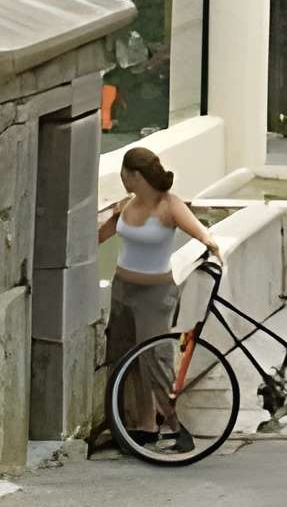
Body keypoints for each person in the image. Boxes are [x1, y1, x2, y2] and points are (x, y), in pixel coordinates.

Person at [95, 146, 222, 452]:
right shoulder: (125, 205)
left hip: (155, 294)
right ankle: (142, 426)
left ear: (135, 175)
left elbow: (201, 233)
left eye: (124, 174)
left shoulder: (170, 206)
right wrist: (102, 214)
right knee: (123, 358)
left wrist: (213, 247)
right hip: (123, 289)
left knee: (155, 360)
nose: (122, 179)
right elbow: (97, 237)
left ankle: (177, 428)